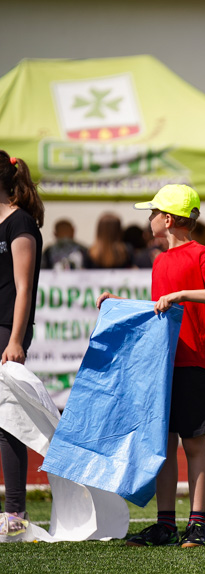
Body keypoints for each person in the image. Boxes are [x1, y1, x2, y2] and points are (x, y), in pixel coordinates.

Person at [97, 184, 205, 548]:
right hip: (162, 364)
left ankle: (197, 525)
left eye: (153, 214)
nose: (149, 220)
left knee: (193, 444)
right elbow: (157, 310)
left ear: (169, 219)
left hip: (193, 360)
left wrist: (183, 294)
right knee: (162, 444)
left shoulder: (202, 254)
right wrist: (119, 305)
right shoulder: (159, 260)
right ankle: (165, 525)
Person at [0, 151, 44, 540]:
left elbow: (23, 287)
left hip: (5, 332)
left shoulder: (21, 222)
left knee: (7, 423)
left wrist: (15, 340)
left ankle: (15, 511)